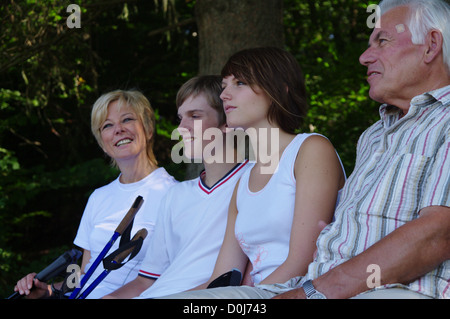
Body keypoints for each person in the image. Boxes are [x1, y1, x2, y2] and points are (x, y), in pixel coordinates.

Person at [270, 0, 450, 299]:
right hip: (317, 286)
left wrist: (315, 293)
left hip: (404, 292)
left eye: (382, 41)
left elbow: (438, 234)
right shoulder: (373, 135)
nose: (364, 58)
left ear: (431, 45)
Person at [159, 47, 346, 298]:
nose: (224, 94)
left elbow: (302, 263)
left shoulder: (310, 149)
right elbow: (221, 279)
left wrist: (240, 299)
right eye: (224, 85)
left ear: (279, 89)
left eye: (240, 83)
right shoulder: (244, 181)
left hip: (298, 291)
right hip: (252, 294)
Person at [13, 90, 177, 299]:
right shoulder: (99, 197)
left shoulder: (173, 193)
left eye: (127, 119)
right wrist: (48, 290)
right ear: (102, 142)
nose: (118, 129)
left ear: (148, 128)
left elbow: (178, 277)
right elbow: (84, 273)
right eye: (107, 125)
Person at [103, 75, 250, 299]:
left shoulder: (254, 181)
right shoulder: (176, 194)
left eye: (195, 116)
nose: (181, 127)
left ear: (227, 122)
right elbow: (146, 281)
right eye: (181, 118)